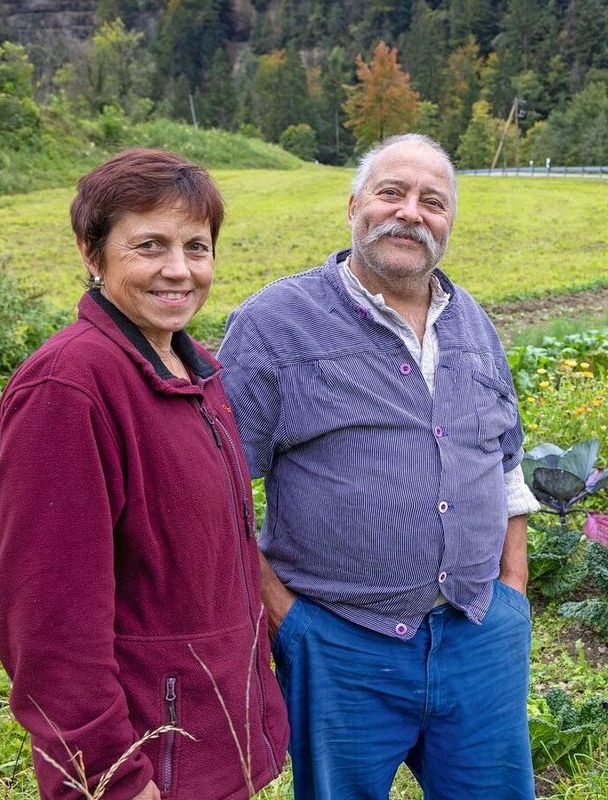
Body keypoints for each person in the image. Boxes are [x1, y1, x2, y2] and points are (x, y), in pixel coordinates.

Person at [217, 133, 540, 800]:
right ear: (353, 206)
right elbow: (216, 491)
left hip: (480, 635)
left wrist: (512, 591)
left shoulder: (473, 324)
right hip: (340, 644)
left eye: (432, 201)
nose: (411, 212)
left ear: (448, 222)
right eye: (391, 192)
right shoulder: (276, 323)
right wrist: (289, 621)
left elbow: (506, 463)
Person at [0, 148, 289, 800]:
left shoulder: (195, 369)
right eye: (149, 245)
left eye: (196, 247)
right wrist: (112, 775)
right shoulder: (68, 389)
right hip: (147, 766)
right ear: (91, 254)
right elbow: (46, 621)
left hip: (214, 743)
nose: (179, 269)